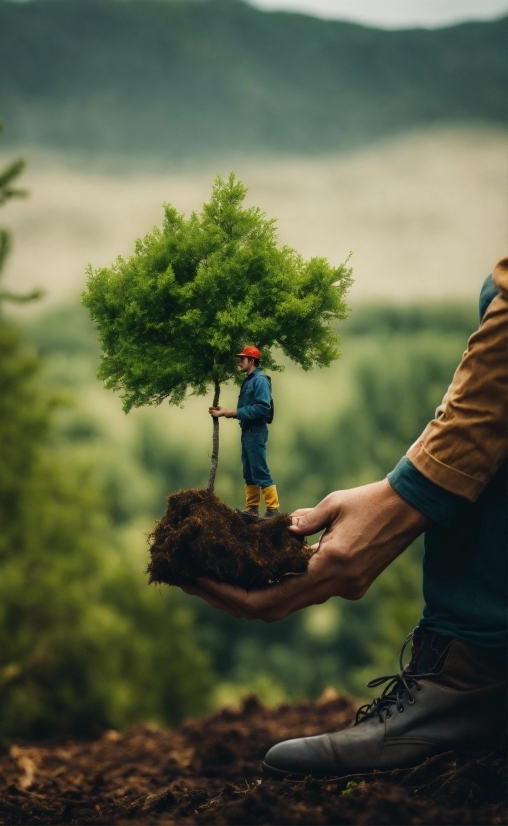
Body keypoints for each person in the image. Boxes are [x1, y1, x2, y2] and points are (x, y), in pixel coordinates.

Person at [189, 258, 507, 777]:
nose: (244, 367)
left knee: (495, 297)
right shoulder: (246, 381)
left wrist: (409, 496)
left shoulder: (258, 386)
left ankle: (468, 671)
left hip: (254, 439)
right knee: (494, 295)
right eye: (243, 362)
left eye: (247, 361)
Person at [209, 345, 279, 519]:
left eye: (242, 359)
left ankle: (273, 510)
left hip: (256, 431)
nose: (239, 363)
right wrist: (226, 411)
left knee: (260, 470)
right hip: (247, 431)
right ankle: (252, 509)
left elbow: (262, 408)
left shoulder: (260, 380)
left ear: (252, 361)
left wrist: (229, 412)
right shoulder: (248, 380)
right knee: (249, 471)